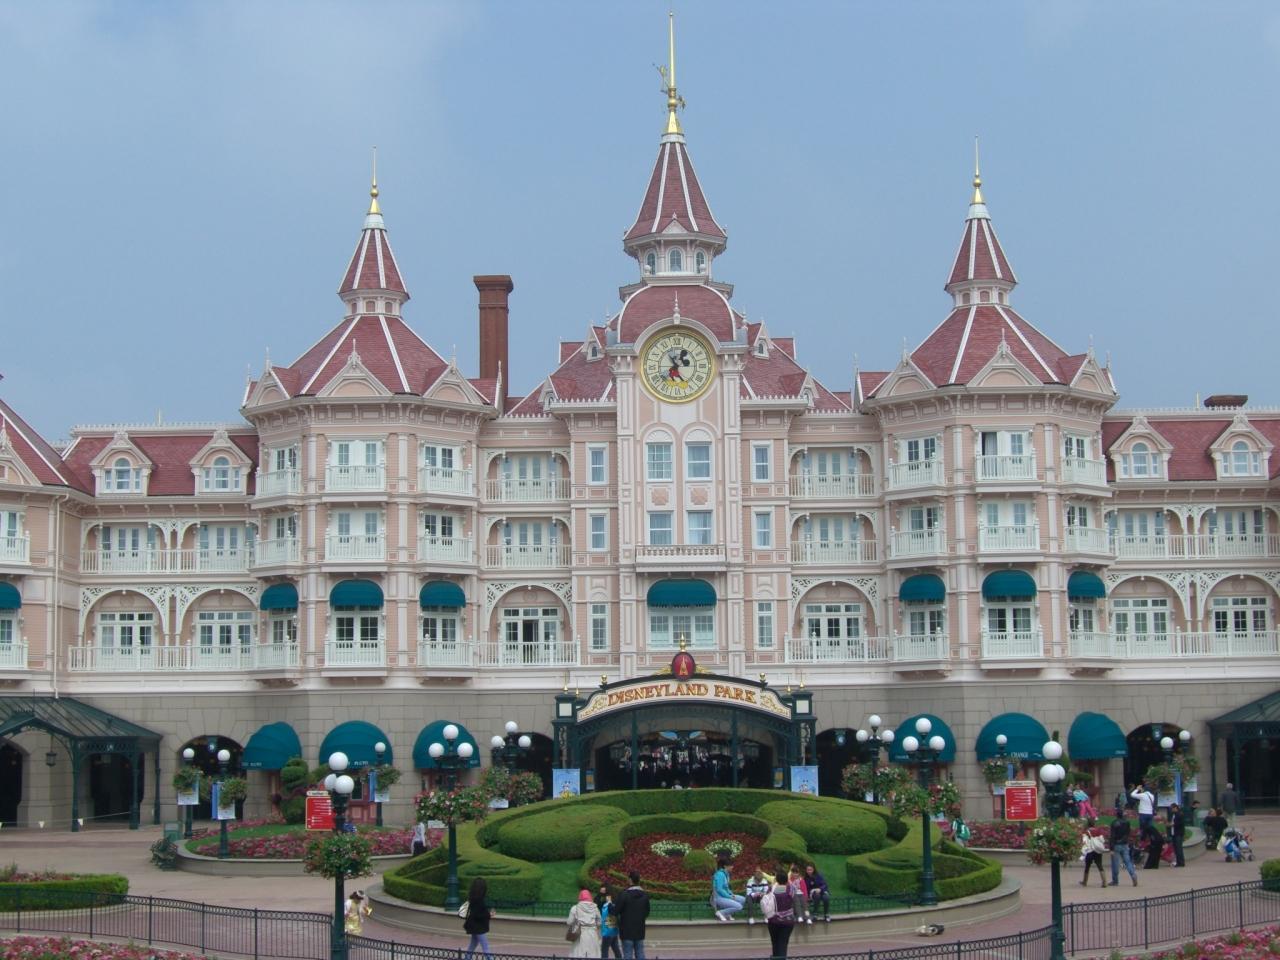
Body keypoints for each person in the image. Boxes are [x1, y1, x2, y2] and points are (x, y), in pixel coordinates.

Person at [614, 870, 650, 960]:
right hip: (640, 930)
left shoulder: (624, 894)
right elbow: (647, 912)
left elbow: (615, 911)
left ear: (630, 880)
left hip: (626, 930)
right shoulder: (645, 895)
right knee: (640, 953)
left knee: (627, 954)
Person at [765, 862, 797, 959]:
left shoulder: (771, 889)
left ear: (776, 879)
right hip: (787, 921)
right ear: (786, 879)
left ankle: (776, 957)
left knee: (775, 943)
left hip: (773, 920)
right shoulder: (791, 889)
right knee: (783, 943)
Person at [462, 877, 494, 960]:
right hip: (479, 927)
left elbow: (476, 913)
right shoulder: (479, 900)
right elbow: (479, 914)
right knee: (485, 947)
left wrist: (487, 914)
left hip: (474, 926)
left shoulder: (473, 898)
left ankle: (467, 958)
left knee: (473, 944)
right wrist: (489, 915)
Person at [568, 889, 602, 958]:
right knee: (592, 954)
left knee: (578, 953)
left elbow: (569, 922)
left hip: (579, 933)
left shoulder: (575, 908)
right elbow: (599, 922)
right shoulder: (595, 908)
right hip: (592, 933)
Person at [1109, 808, 1137, 887]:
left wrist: (1111, 848)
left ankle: (1115, 880)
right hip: (1124, 844)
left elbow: (1112, 836)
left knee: (1115, 863)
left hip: (1116, 844)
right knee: (1128, 861)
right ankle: (1133, 875)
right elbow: (1128, 833)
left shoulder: (1114, 823)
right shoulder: (1127, 822)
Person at [711, 855, 745, 921]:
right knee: (739, 907)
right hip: (718, 898)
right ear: (725, 866)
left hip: (726, 896)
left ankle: (727, 913)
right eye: (731, 865)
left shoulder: (726, 874)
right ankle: (720, 913)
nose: (732, 867)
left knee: (743, 899)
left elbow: (726, 888)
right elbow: (719, 889)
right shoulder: (720, 875)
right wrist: (729, 897)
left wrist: (731, 894)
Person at [1079, 819, 1108, 887]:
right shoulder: (1098, 830)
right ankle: (1104, 882)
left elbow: (1084, 841)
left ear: (1088, 824)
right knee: (1100, 865)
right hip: (1097, 850)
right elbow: (1102, 840)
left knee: (1087, 867)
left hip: (1089, 851)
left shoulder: (1086, 831)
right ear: (1094, 824)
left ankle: (1085, 882)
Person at [599, 886, 622, 959]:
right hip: (613, 931)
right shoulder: (612, 905)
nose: (605, 897)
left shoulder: (609, 905)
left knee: (604, 950)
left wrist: (609, 903)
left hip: (607, 931)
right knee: (616, 949)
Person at [1167, 803, 1186, 867]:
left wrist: (1171, 824)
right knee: (1176, 848)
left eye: (1172, 808)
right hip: (1173, 833)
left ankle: (1181, 862)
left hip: (1178, 833)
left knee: (1179, 848)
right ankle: (1178, 862)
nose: (1171, 810)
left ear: (1175, 808)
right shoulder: (1173, 815)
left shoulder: (1180, 814)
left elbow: (1179, 823)